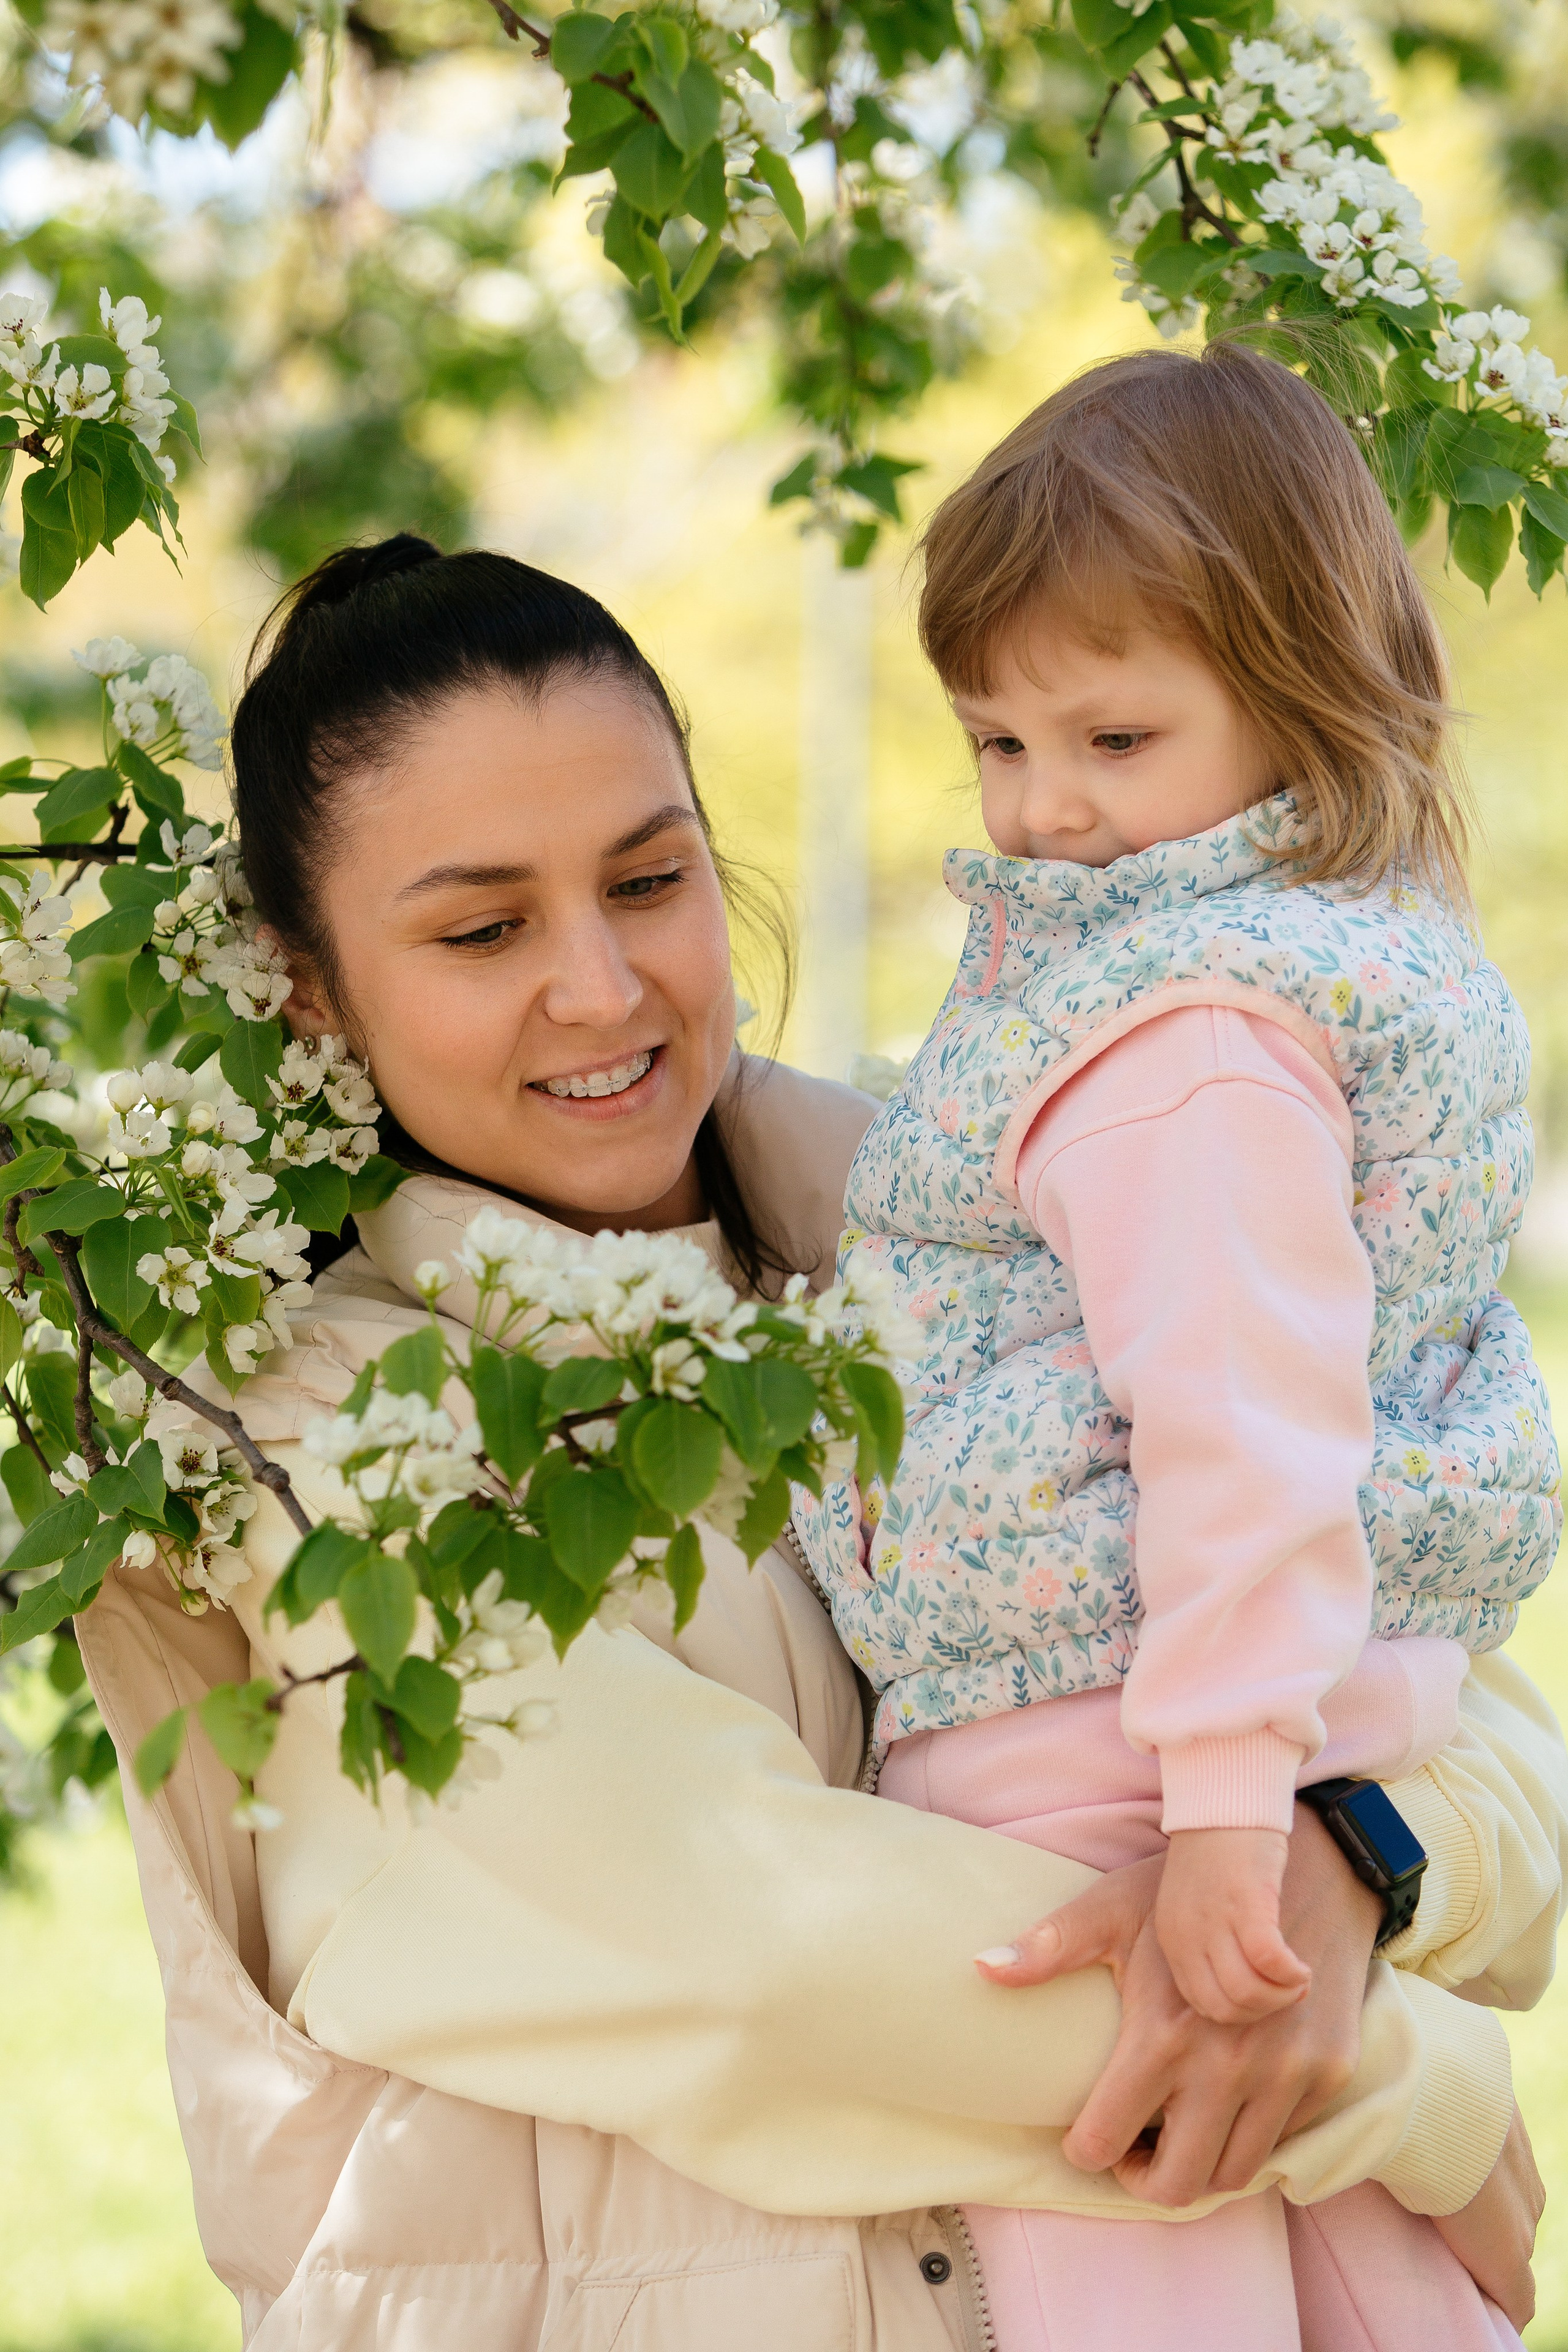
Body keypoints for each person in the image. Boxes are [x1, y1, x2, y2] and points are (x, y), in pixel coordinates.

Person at [76, 535, 1563, 2352]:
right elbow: (770, 1960)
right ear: (305, 985)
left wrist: (1354, 1857)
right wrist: (1400, 2096)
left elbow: (1469, 1707)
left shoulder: (942, 1240)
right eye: (482, 929)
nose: (604, 986)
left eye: (649, 878)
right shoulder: (318, 1449)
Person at [793, 342, 1562, 2351]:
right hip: (1270, 1711)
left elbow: (1239, 1421)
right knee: (1348, 2254)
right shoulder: (1349, 950)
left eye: (1114, 739)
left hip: (1108, 1732)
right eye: (995, 744)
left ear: (1301, 696)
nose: (1045, 812)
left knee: (1138, 2230)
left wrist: (1227, 1812)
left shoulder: (1182, 1034)